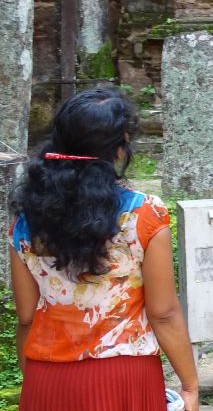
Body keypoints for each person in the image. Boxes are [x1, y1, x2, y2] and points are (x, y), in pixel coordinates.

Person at [8, 87, 200, 411]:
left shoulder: (27, 220)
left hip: (47, 377)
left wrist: (36, 381)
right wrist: (190, 387)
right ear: (120, 146)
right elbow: (163, 313)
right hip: (126, 376)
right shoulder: (145, 215)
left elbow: (27, 316)